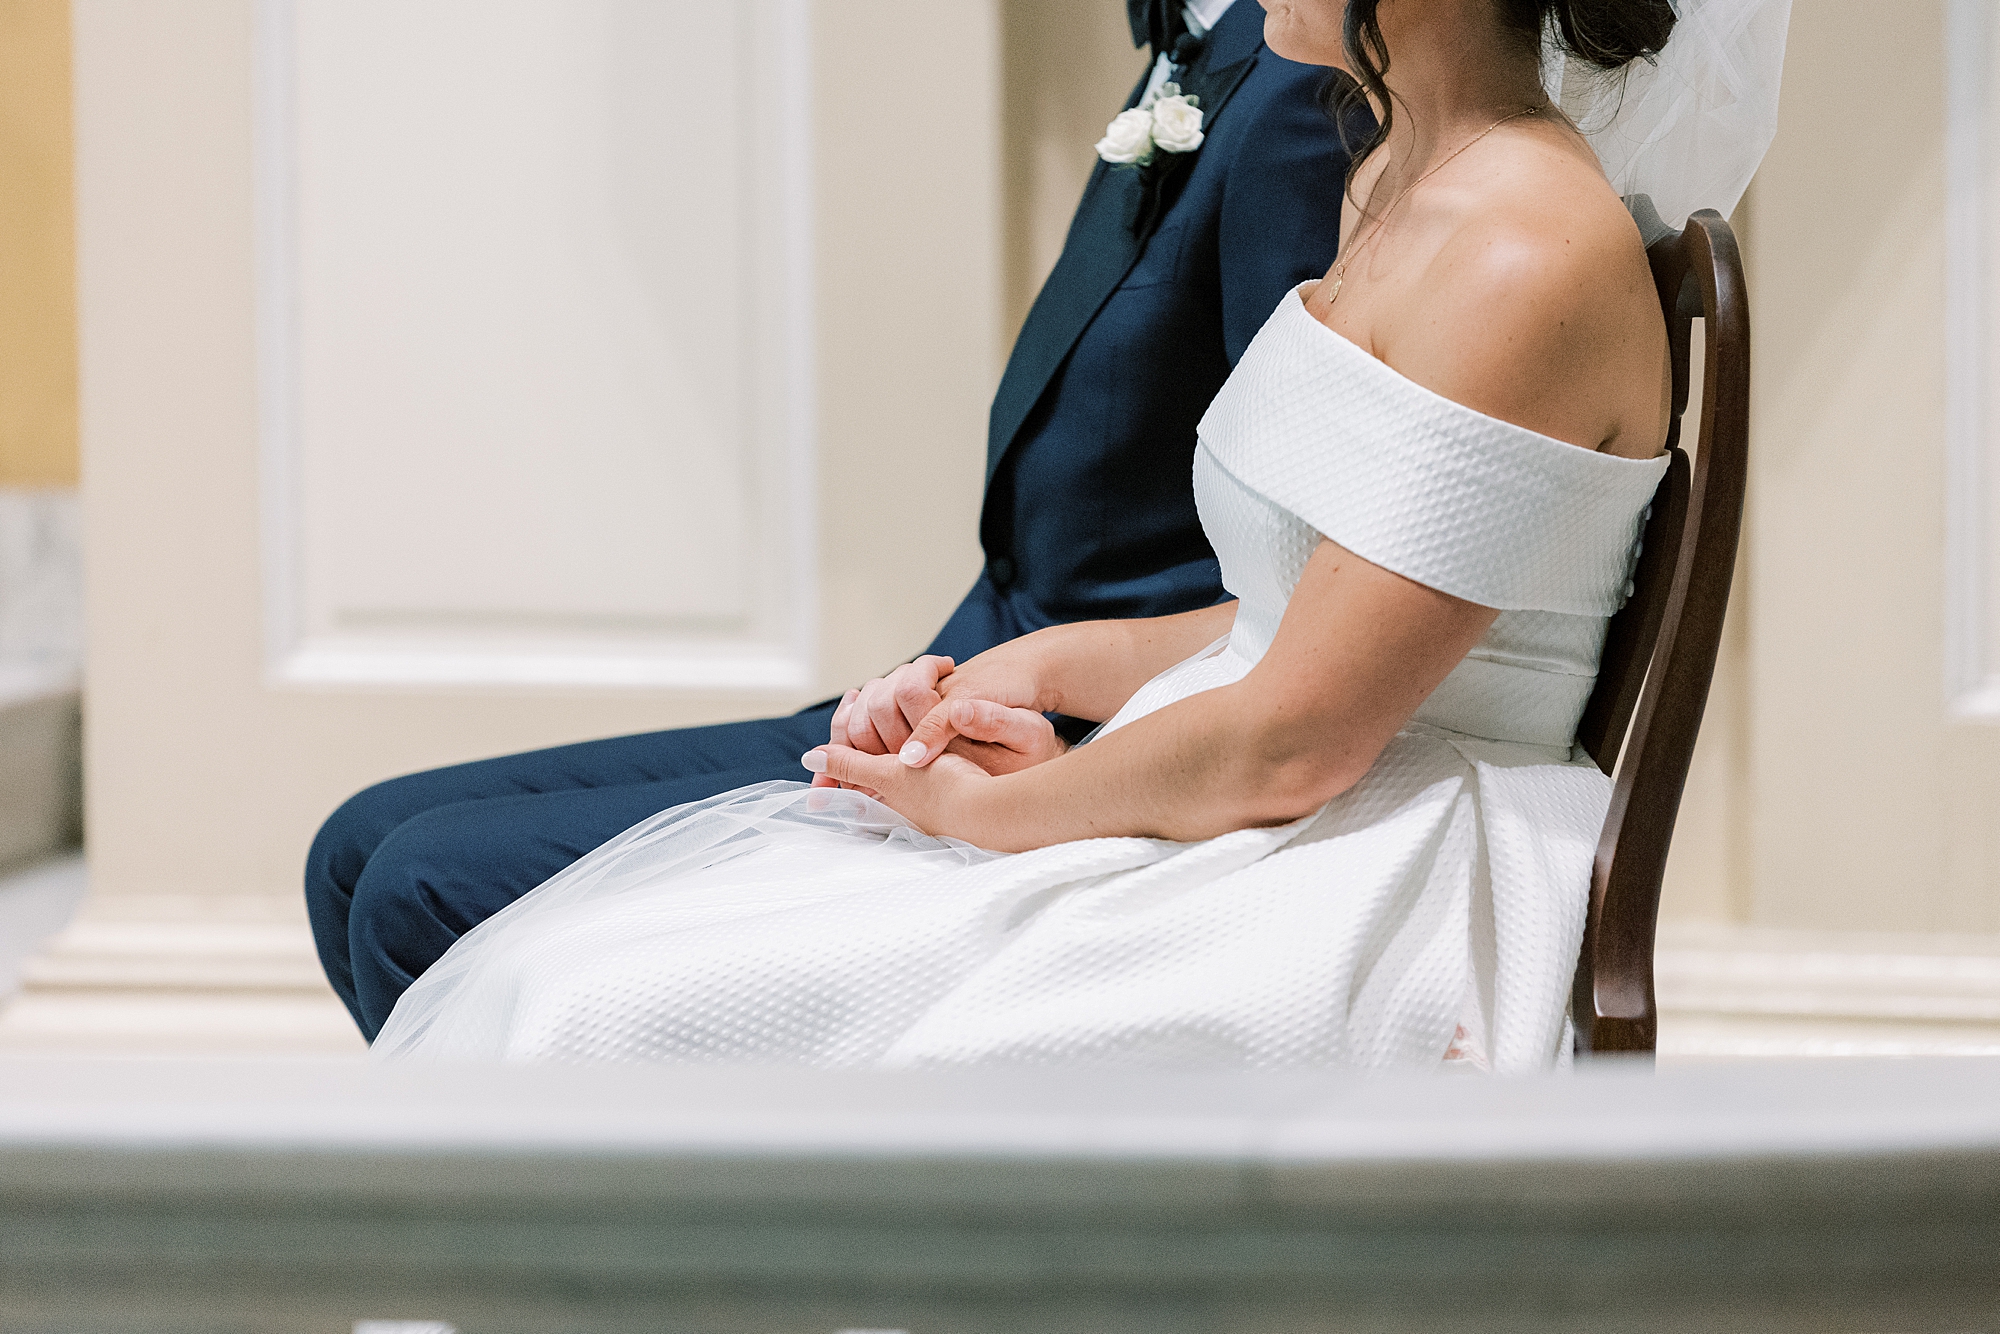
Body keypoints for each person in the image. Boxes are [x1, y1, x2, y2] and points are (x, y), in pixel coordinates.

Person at [374, 0, 1789, 1070]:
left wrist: (984, 815)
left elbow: (1296, 737)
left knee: (585, 1012)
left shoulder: (1521, 252)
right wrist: (1042, 671)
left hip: (1375, 865)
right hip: (1296, 787)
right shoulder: (1396, 183)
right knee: (568, 968)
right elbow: (1305, 604)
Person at [306, 0, 1361, 1041]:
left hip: (1072, 720)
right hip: (978, 655)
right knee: (355, 848)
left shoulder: (1291, 87)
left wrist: (1035, 713)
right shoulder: (1209, 43)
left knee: (418, 885)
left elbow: (1284, 537)